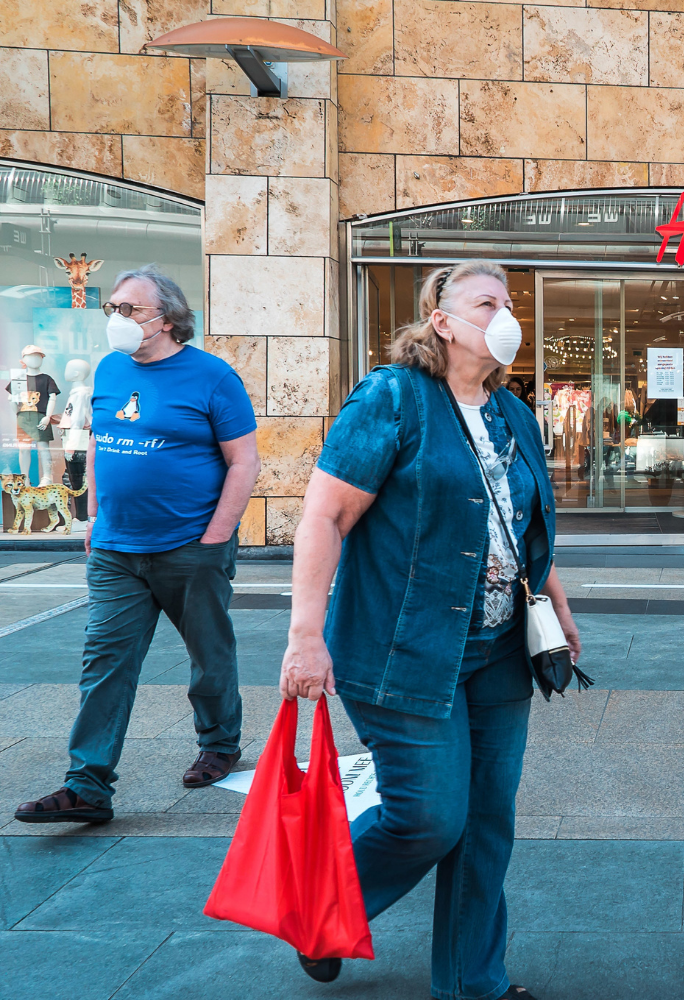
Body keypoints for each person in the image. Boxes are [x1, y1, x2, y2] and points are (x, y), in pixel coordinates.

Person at [279, 260, 579, 1000]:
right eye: (488, 303)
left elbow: (525, 530)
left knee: (486, 822)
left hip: (500, 649)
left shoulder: (513, 414)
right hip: (403, 647)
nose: (506, 316)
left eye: (509, 302)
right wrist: (305, 635)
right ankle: (321, 912)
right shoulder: (393, 397)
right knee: (429, 818)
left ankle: (474, 983)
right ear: (442, 321)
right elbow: (324, 516)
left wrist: (558, 607)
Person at [14, 265, 261, 824]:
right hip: (116, 550)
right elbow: (100, 444)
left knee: (209, 654)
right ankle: (87, 785)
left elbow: (243, 462)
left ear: (167, 318)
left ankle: (219, 744)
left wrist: (217, 535)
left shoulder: (213, 377)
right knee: (105, 663)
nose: (117, 318)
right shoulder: (108, 369)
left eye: (130, 309)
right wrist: (93, 518)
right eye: (113, 308)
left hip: (190, 545)